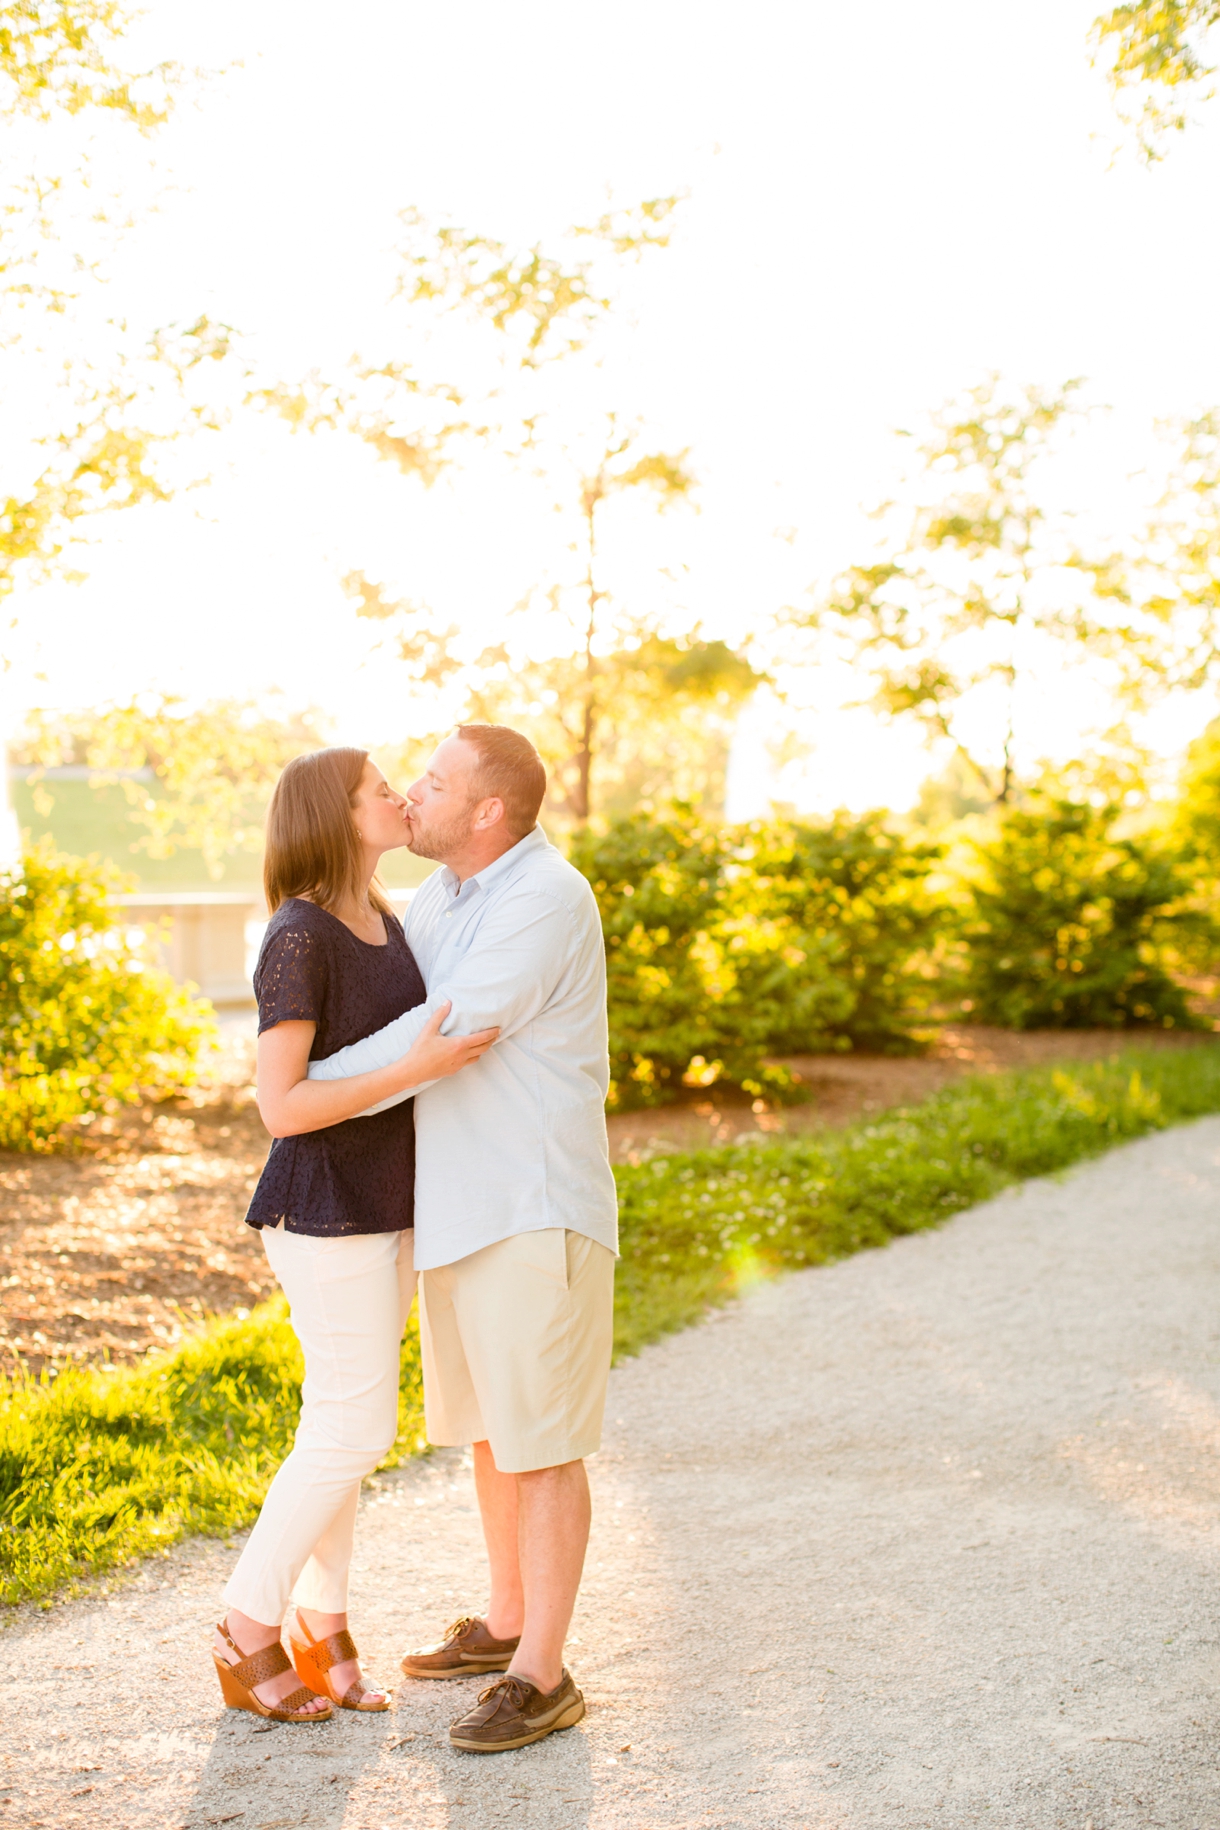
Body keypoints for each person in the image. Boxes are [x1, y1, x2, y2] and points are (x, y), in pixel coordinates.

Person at [307, 723, 618, 1753]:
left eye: (434, 785)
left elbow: (449, 1025)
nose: (414, 797)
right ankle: (505, 1621)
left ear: (488, 813)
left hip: (533, 1209)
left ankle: (544, 1673)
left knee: (542, 1447)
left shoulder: (542, 896)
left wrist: (312, 1089)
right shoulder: (440, 898)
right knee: (493, 1433)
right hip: (459, 1210)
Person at [211, 746, 498, 1724]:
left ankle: (321, 1624)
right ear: (334, 816)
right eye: (378, 787)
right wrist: (417, 1065)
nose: (396, 796)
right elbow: (281, 1107)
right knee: (355, 1427)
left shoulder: (387, 922)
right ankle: (247, 1625)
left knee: (334, 1426)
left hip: (387, 1206)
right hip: (320, 1210)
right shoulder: (298, 936)